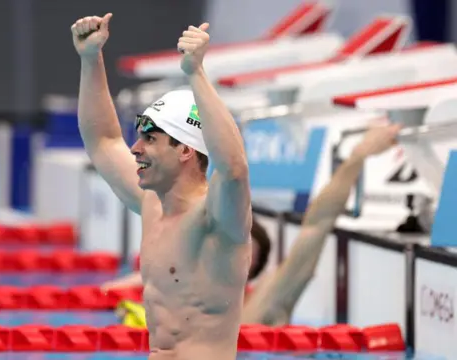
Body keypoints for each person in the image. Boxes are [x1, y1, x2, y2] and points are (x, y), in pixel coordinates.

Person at [72, 13, 253, 360]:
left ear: (185, 150)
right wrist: (90, 59)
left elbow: (233, 168)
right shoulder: (152, 204)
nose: (136, 149)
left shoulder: (216, 220)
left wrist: (195, 73)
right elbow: (103, 139)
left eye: (150, 139)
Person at [104, 124, 402, 327]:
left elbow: (316, 224)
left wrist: (358, 157)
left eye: (245, 259)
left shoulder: (260, 309)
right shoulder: (179, 289)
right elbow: (108, 292)